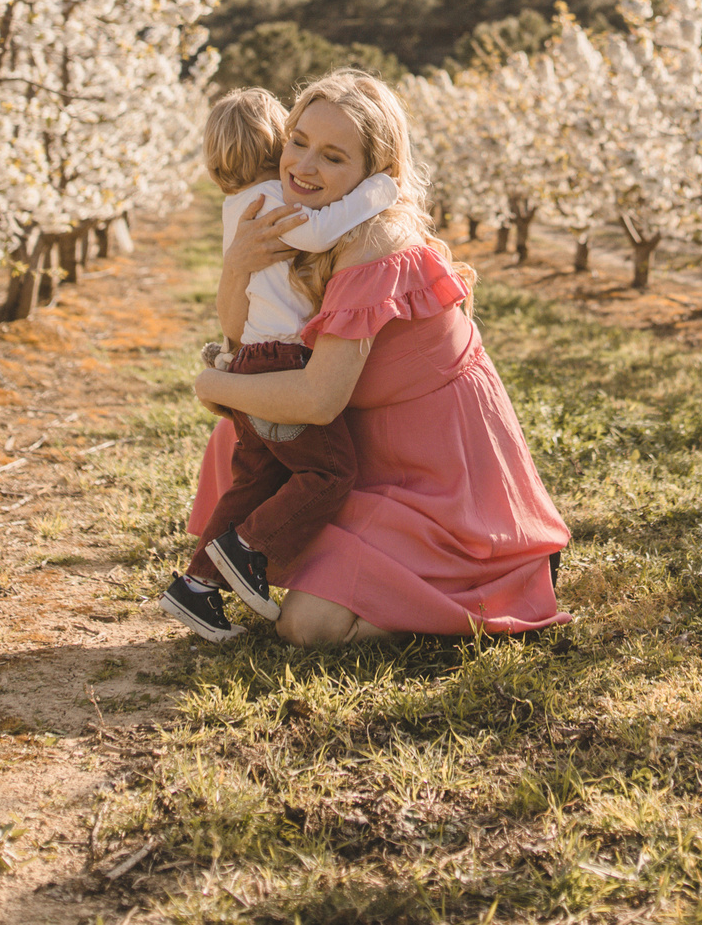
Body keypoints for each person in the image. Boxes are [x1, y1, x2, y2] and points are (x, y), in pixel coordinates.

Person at [186, 70, 571, 645]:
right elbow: (244, 337)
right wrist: (238, 265)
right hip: (366, 442)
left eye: (333, 156)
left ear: (374, 173)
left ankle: (472, 580)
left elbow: (317, 399)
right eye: (298, 141)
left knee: (309, 626)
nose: (303, 167)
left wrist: (210, 385)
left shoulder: (373, 242)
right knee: (247, 438)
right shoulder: (305, 224)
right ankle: (270, 560)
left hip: (436, 475)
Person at [159, 88, 398, 641]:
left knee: (252, 482)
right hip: (280, 360)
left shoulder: (233, 204)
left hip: (249, 360)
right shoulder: (272, 197)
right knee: (327, 472)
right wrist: (377, 192)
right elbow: (317, 232)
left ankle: (195, 589)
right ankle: (248, 550)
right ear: (276, 143)